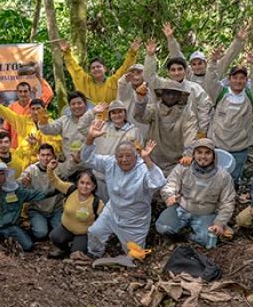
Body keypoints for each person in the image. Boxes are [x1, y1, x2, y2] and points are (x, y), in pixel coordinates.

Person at [82, 120, 164, 268]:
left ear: (135, 157)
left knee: (136, 257)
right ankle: (94, 255)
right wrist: (90, 138)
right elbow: (88, 159)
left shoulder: (143, 169)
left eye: (128, 156)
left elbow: (158, 183)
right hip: (112, 211)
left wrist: (147, 159)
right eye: (120, 156)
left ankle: (124, 259)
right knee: (94, 232)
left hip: (134, 220)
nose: (124, 160)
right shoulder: (110, 163)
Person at [156, 138, 236, 249]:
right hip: (182, 209)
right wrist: (169, 196)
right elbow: (170, 184)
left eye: (207, 153)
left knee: (208, 240)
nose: (203, 156)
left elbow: (227, 203)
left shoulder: (223, 176)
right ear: (194, 154)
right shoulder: (183, 167)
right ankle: (178, 232)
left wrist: (219, 223)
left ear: (214, 156)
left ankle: (187, 236)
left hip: (206, 214)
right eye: (199, 152)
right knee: (162, 227)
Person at [205, 51, 253, 182]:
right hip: (218, 144)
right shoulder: (220, 93)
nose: (238, 81)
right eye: (235, 77)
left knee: (233, 177)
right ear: (229, 79)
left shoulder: (251, 95)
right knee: (214, 176)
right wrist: (213, 62)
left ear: (246, 80)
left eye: (242, 78)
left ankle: (231, 199)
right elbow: (210, 81)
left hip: (240, 146)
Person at [144, 38, 212, 134]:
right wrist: (150, 57)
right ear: (168, 72)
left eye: (180, 69)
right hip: (165, 133)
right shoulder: (162, 86)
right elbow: (149, 77)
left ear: (185, 71)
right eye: (173, 70)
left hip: (190, 132)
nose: (176, 73)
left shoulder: (195, 89)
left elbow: (204, 111)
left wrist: (202, 132)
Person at [77, 100, 141, 201]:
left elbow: (137, 156)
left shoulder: (134, 131)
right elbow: (81, 126)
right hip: (97, 178)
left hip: (119, 180)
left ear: (125, 113)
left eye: (120, 112)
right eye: (113, 112)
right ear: (109, 115)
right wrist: (93, 112)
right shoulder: (102, 126)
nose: (117, 115)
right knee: (98, 209)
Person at [163, 21, 247, 96]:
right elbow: (176, 55)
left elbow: (228, 57)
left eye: (200, 63)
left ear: (205, 63)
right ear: (190, 66)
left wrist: (238, 40)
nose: (197, 66)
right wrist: (170, 38)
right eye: (194, 64)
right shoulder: (189, 75)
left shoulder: (213, 71)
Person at [132, 79, 197, 175]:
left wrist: (188, 154)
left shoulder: (188, 114)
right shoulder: (154, 109)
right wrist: (140, 100)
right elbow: (139, 117)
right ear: (161, 94)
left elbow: (190, 135)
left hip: (177, 162)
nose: (171, 96)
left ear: (180, 96)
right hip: (152, 159)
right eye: (167, 93)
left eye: (174, 93)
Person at [46, 165, 104, 260]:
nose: (84, 186)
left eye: (88, 184)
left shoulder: (97, 203)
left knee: (76, 253)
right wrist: (50, 169)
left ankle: (75, 246)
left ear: (93, 186)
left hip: (83, 233)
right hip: (66, 228)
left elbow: (104, 222)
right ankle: (64, 248)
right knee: (54, 236)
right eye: (82, 182)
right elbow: (55, 181)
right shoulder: (70, 190)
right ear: (77, 183)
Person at [58, 39, 141, 104]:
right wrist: (66, 53)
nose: (96, 69)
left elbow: (125, 69)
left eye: (98, 66)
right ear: (90, 71)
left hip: (111, 119)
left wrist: (132, 53)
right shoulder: (85, 81)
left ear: (104, 69)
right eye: (93, 68)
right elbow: (75, 69)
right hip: (90, 120)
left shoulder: (113, 81)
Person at [0, 95, 62, 160]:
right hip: (24, 161)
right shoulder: (24, 121)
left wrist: (37, 144)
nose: (35, 112)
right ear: (30, 110)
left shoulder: (52, 125)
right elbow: (10, 115)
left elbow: (56, 148)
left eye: (38, 109)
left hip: (44, 162)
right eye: (33, 109)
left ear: (44, 109)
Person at [38, 91, 89, 176]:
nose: (76, 106)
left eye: (79, 103)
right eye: (73, 104)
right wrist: (43, 122)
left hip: (90, 168)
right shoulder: (64, 120)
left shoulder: (93, 120)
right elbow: (49, 129)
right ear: (69, 106)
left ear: (85, 104)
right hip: (70, 168)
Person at [20, 144, 64, 241]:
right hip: (37, 209)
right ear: (38, 156)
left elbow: (70, 169)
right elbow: (20, 182)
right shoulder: (32, 169)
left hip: (56, 209)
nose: (46, 158)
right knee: (41, 233)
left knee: (60, 234)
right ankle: (40, 226)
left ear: (54, 156)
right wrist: (24, 182)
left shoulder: (59, 169)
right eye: (42, 155)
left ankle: (48, 224)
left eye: (48, 155)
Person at [116, 63, 155, 138]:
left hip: (144, 131)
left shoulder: (150, 91)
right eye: (132, 73)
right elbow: (121, 84)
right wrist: (125, 79)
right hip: (125, 131)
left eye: (139, 72)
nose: (135, 75)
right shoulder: (125, 88)